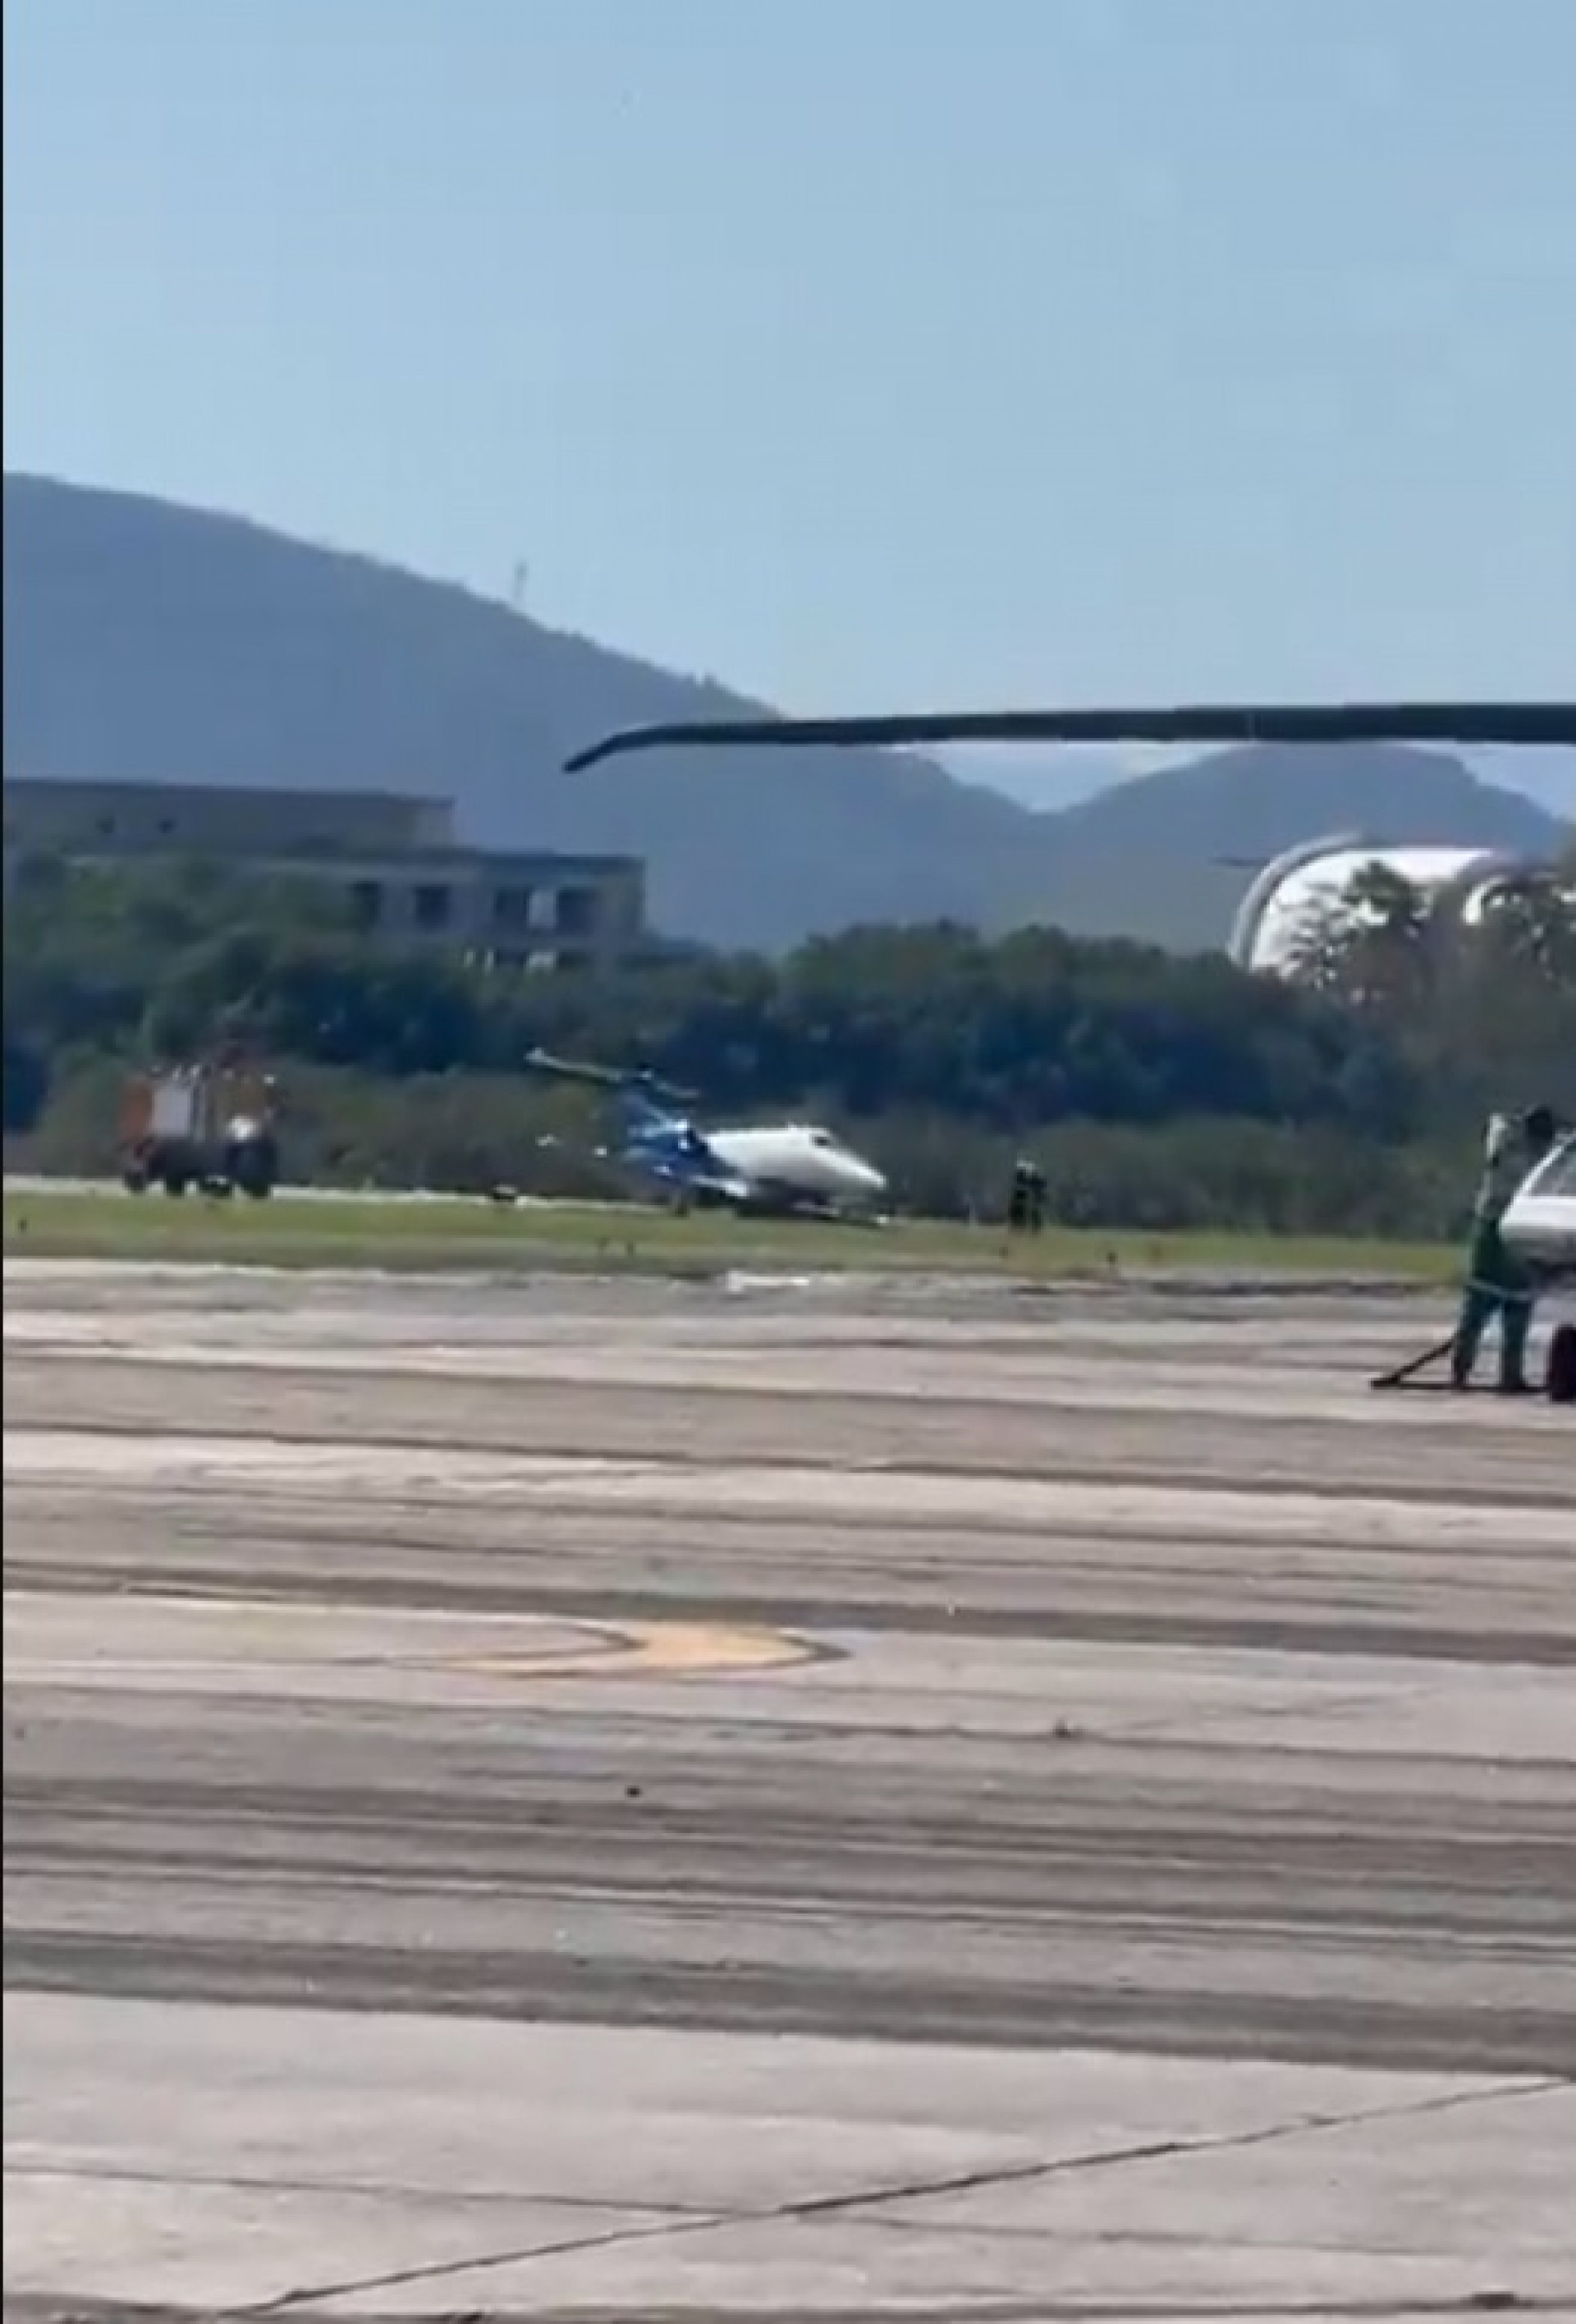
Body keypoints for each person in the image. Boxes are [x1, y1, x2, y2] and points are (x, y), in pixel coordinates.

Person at [1450, 1104, 1558, 1392]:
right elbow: (1498, 1131)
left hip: (1522, 1233)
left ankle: (1509, 1374)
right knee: (1478, 1309)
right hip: (1496, 1230)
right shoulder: (1508, 1148)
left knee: (1517, 1312)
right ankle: (1461, 1369)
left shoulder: (1539, 1157)